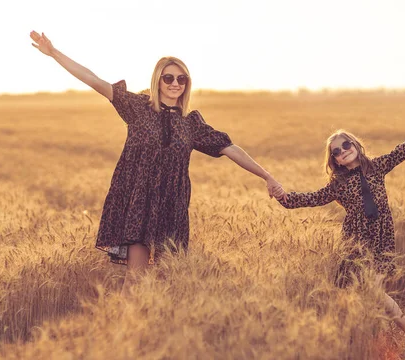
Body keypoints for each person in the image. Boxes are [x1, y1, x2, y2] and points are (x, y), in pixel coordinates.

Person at [29, 31, 287, 294]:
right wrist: (54, 53)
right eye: (169, 78)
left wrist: (267, 176)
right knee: (136, 279)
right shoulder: (137, 107)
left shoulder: (191, 122)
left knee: (167, 280)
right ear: (158, 80)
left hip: (172, 206)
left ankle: (155, 329)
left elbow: (230, 148)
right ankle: (126, 328)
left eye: (181, 79)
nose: (175, 83)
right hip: (138, 201)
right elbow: (94, 81)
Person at [278, 108, 405, 360]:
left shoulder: (377, 166)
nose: (342, 151)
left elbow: (404, 151)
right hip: (355, 243)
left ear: (356, 145)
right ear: (335, 161)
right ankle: (362, 343)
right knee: (351, 294)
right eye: (336, 152)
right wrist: (285, 198)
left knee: (375, 293)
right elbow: (314, 197)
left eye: (345, 145)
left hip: (381, 239)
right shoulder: (337, 184)